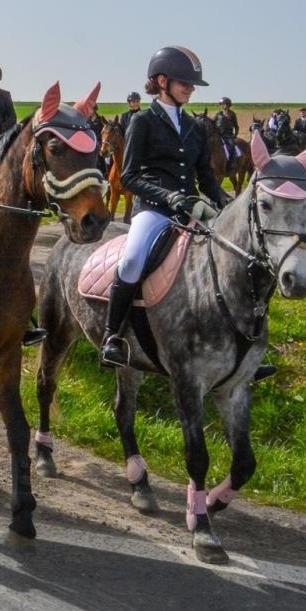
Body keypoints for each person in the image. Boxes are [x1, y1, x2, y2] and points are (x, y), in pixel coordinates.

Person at [100, 46, 227, 369]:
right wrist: (168, 197)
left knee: (232, 256)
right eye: (184, 81)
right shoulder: (142, 122)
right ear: (161, 81)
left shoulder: (196, 127)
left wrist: (225, 203)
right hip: (154, 210)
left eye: (191, 83)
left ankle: (232, 345)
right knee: (131, 260)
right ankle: (111, 336)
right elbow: (128, 176)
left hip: (191, 210)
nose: (190, 88)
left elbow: (207, 178)